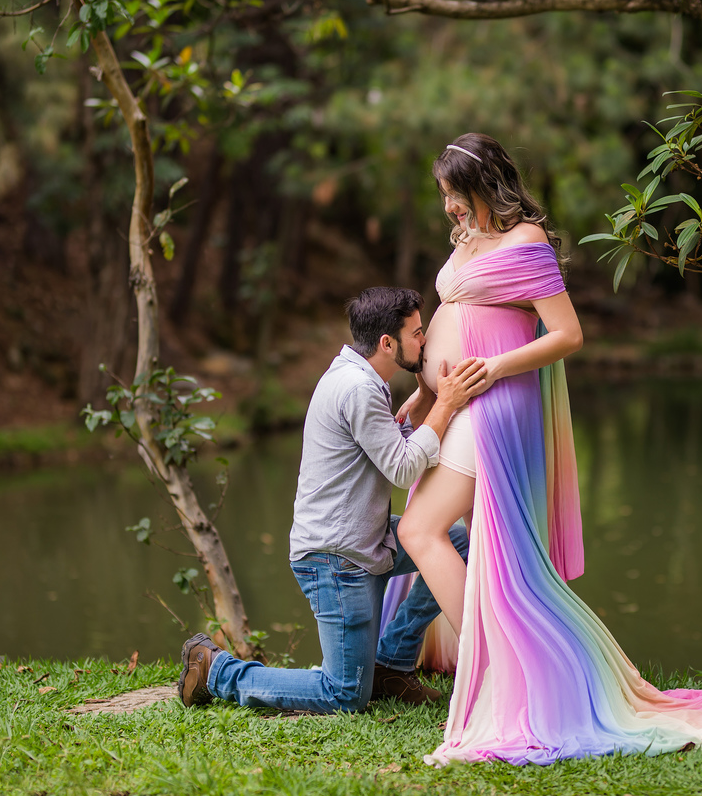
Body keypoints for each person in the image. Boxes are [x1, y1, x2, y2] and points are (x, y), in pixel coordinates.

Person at [393, 134, 702, 766]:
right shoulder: (470, 243)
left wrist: (491, 369)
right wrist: (423, 394)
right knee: (478, 547)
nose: (448, 209)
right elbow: (450, 312)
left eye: (453, 195)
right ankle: (501, 667)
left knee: (422, 529)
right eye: (443, 197)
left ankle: (496, 671)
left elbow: (568, 333)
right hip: (458, 402)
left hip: (493, 404)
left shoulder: (527, 242)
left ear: (483, 186)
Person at [177, 286, 488, 713]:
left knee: (458, 542)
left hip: (367, 539)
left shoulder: (362, 377)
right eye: (417, 334)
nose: (426, 341)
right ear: (387, 343)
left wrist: (429, 399)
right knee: (344, 694)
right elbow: (401, 468)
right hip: (336, 558)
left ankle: (393, 664)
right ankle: (215, 670)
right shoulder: (357, 388)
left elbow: (391, 446)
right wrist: (448, 404)